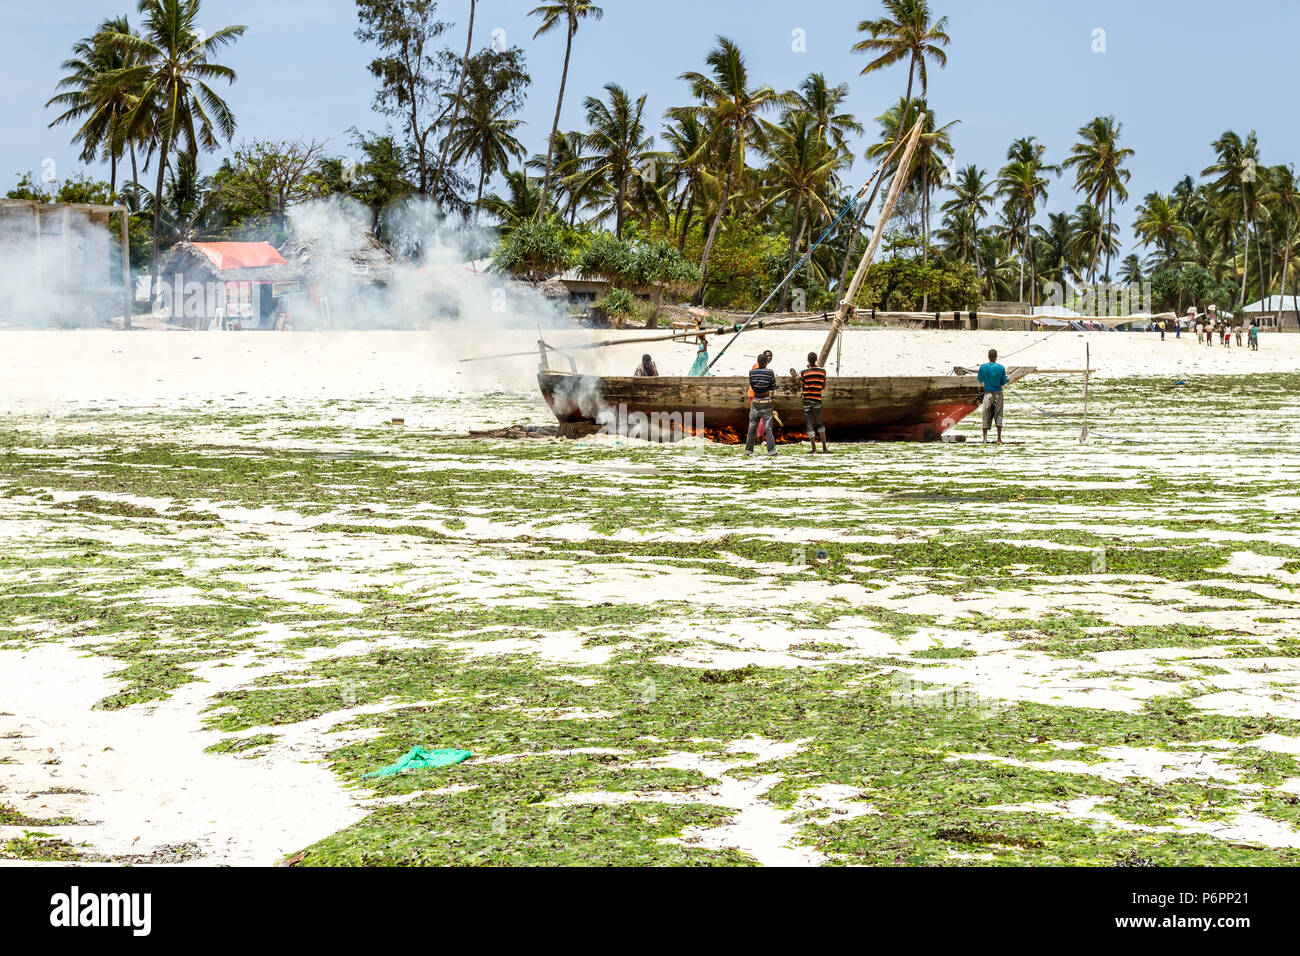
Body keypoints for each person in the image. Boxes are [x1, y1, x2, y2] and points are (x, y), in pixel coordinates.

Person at [745, 352, 777, 457]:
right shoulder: (770, 372)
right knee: (768, 426)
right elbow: (773, 386)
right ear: (766, 362)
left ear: (758, 362)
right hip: (766, 400)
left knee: (752, 425)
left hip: (756, 400)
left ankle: (748, 450)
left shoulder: (751, 373)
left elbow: (753, 386)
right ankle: (771, 451)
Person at [798, 351, 829, 454]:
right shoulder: (823, 371)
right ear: (816, 360)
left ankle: (814, 449)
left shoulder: (804, 372)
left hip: (807, 400)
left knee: (810, 424)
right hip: (817, 400)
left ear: (808, 360)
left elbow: (802, 386)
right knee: (820, 423)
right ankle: (824, 448)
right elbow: (823, 386)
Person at [978, 347, 1007, 444]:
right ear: (996, 357)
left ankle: (985, 439)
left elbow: (980, 380)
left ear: (988, 357)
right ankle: (999, 439)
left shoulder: (982, 367)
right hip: (998, 393)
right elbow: (1003, 382)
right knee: (999, 414)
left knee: (986, 414)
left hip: (987, 394)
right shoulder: (1001, 368)